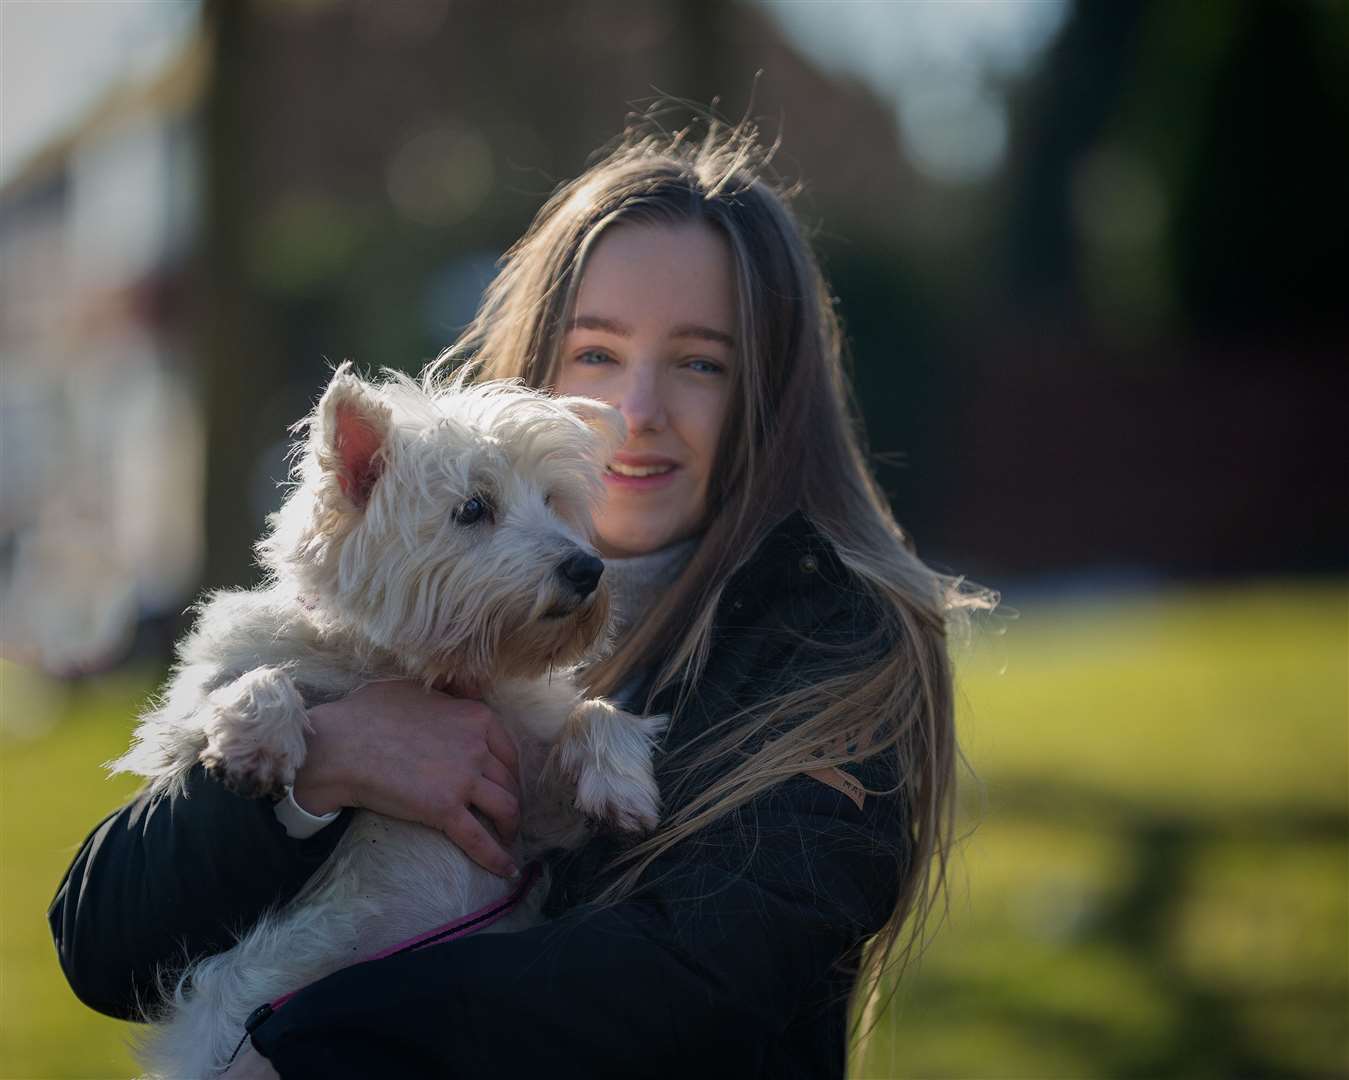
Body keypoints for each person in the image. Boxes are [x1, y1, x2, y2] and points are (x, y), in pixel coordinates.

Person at [49, 116, 990, 1079]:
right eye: (597, 353)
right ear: (536, 361)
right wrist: (332, 756)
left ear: (769, 395)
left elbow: (701, 981)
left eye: (700, 363)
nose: (634, 414)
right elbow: (100, 944)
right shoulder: (356, 614)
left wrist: (314, 1040)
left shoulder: (836, 643)